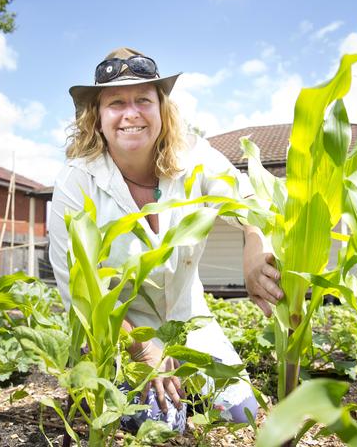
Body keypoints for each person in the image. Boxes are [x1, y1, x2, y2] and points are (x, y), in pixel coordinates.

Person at [48, 47, 283, 432]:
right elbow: (78, 289)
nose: (131, 113)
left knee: (239, 413)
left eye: (144, 99)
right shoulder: (77, 182)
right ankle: (111, 383)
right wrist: (142, 350)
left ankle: (187, 388)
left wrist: (254, 242)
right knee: (160, 425)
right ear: (98, 117)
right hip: (118, 329)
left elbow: (251, 197)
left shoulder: (193, 156)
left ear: (162, 109)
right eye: (116, 103)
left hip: (187, 320)